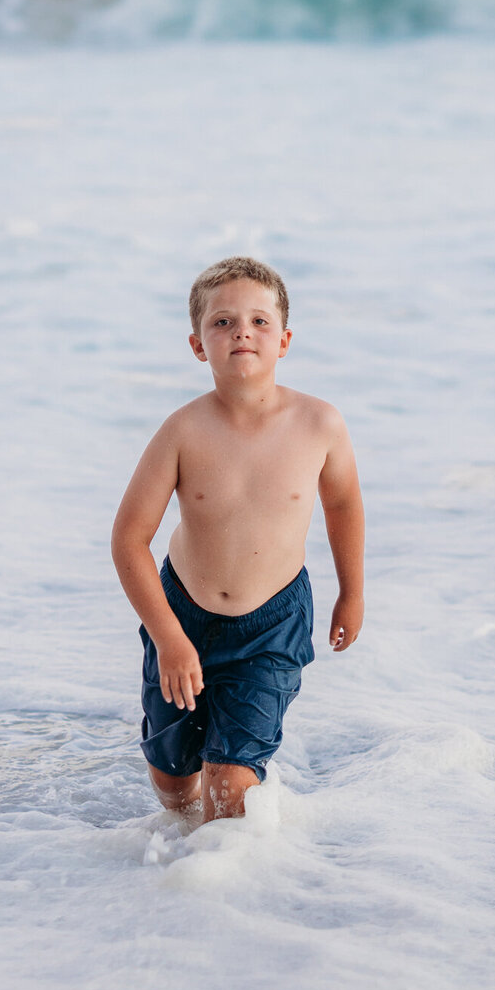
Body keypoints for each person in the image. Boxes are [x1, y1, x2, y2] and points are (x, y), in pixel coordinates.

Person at [111, 256, 365, 824]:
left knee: (229, 786)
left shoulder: (320, 424)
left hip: (271, 624)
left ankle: (224, 874)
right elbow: (129, 538)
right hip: (183, 614)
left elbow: (344, 504)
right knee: (173, 778)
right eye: (222, 322)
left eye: (259, 321)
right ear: (198, 346)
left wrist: (352, 592)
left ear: (284, 340)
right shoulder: (182, 431)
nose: (242, 332)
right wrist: (169, 638)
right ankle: (172, 851)